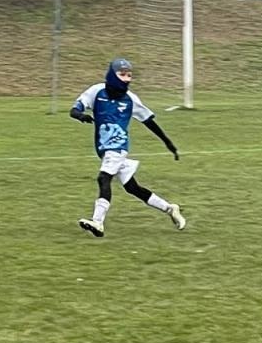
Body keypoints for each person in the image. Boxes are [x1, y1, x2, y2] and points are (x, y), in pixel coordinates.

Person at [69, 58, 185, 238]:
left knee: (103, 178)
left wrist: (168, 142)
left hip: (118, 146)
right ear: (112, 75)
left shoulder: (131, 99)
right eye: (122, 74)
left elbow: (149, 122)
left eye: (129, 75)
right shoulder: (96, 91)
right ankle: (170, 208)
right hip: (104, 148)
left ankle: (97, 222)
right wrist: (80, 116)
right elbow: (75, 109)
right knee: (132, 187)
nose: (126, 79)